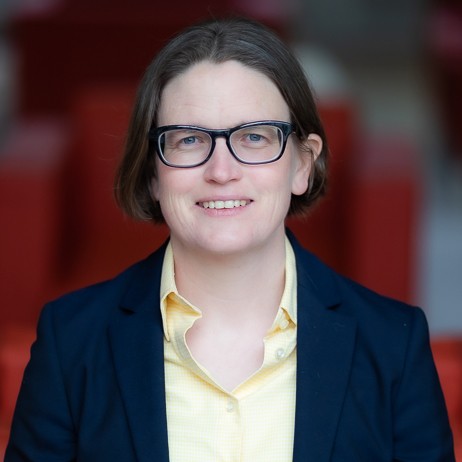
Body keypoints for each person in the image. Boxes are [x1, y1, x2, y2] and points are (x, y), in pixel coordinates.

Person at [5, 17, 455, 462]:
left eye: (254, 137)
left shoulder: (394, 345)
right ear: (152, 173)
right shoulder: (70, 342)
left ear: (302, 164)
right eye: (188, 140)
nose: (221, 171)